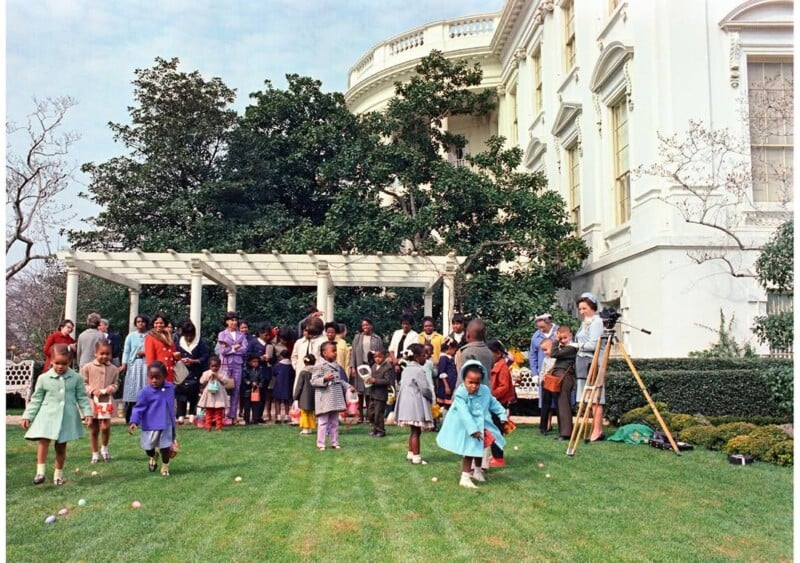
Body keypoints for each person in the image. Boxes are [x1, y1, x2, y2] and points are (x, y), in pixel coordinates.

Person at [21, 344, 92, 485]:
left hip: (66, 417)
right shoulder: (43, 378)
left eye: (64, 363)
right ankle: (40, 472)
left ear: (70, 362)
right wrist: (27, 416)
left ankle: (58, 475)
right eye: (57, 363)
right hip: (47, 416)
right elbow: (36, 399)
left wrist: (87, 413)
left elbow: (82, 397)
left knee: (61, 447)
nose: (60, 366)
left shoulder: (76, 378)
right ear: (51, 361)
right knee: (43, 442)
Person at [435, 360, 509, 488]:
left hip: (482, 424)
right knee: (470, 450)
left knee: (481, 448)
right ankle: (465, 476)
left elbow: (494, 403)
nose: (474, 386)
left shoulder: (485, 391)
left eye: (477, 383)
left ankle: (478, 471)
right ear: (464, 380)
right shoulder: (460, 393)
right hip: (466, 426)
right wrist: (472, 429)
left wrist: (502, 414)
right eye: (470, 382)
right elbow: (464, 413)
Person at [128, 361, 177, 476]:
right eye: (151, 377)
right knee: (148, 448)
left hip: (166, 424)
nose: (154, 380)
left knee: (165, 448)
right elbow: (138, 408)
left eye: (157, 377)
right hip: (151, 425)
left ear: (165, 376)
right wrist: (134, 421)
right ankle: (153, 455)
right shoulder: (145, 392)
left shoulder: (170, 388)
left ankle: (165, 466)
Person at [394, 343, 434, 465]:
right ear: (416, 357)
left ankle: (410, 453)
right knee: (416, 431)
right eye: (423, 355)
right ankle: (416, 457)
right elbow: (424, 388)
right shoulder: (418, 371)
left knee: (413, 430)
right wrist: (431, 397)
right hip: (414, 404)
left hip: (405, 403)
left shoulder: (406, 369)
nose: (425, 358)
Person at [81, 339, 120, 464]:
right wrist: (92, 390)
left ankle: (104, 448)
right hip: (93, 402)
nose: (104, 356)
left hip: (106, 402)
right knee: (93, 428)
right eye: (102, 353)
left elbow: (116, 383)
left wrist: (111, 388)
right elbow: (83, 383)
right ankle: (94, 453)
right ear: (95, 353)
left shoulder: (114, 369)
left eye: (107, 354)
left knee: (105, 426)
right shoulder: (87, 367)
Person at [575, 292, 606, 442]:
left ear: (592, 307)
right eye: (580, 309)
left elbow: (594, 344)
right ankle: (594, 428)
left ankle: (597, 430)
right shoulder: (585, 322)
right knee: (587, 398)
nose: (582, 312)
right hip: (583, 362)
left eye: (584, 308)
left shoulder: (596, 322)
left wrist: (576, 345)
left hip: (593, 362)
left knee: (596, 398)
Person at [310, 342, 351, 451]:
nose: (335, 353)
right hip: (324, 397)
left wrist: (348, 386)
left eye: (335, 350)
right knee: (323, 422)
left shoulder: (336, 365)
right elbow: (313, 381)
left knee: (334, 422)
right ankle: (321, 443)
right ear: (324, 353)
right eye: (333, 351)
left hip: (335, 397)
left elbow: (339, 380)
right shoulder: (319, 365)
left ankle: (335, 442)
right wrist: (324, 379)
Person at [349, 317, 383, 424]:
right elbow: (353, 353)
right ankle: (360, 416)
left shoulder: (377, 338)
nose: (365, 327)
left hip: (371, 366)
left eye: (367, 325)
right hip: (360, 366)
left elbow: (381, 353)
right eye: (363, 325)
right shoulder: (358, 338)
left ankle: (369, 415)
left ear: (371, 325)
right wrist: (352, 367)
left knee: (369, 391)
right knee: (360, 391)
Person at [487, 339, 515, 468]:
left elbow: (504, 386)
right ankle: (496, 455)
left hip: (499, 403)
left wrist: (492, 395)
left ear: (497, 353)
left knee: (497, 430)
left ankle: (499, 457)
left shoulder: (502, 367)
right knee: (494, 428)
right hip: (495, 402)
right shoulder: (496, 365)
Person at [529, 313, 559, 434]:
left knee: (556, 400)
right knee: (545, 400)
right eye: (538, 327)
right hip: (543, 373)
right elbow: (533, 355)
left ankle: (561, 425)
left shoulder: (558, 332)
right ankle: (546, 424)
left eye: (543, 327)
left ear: (548, 322)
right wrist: (534, 373)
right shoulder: (535, 337)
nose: (541, 330)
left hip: (556, 372)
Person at [175, 320, 209, 425]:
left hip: (196, 371)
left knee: (195, 394)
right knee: (181, 393)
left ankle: (193, 414)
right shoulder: (178, 342)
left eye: (191, 335)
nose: (189, 338)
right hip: (182, 371)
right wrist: (181, 360)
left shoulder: (200, 343)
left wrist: (194, 361)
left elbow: (205, 356)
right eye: (187, 335)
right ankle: (180, 415)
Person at [217, 311, 248, 424]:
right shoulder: (222, 334)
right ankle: (222, 415)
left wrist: (232, 349)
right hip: (225, 364)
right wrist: (234, 348)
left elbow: (244, 349)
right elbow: (223, 351)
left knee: (236, 389)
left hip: (237, 364)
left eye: (235, 320)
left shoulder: (241, 335)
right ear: (227, 322)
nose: (234, 322)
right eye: (232, 320)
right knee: (224, 389)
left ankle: (232, 415)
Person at [549, 326, 578, 441]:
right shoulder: (566, 348)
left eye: (565, 337)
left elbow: (553, 354)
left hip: (565, 377)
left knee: (563, 404)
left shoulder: (571, 348)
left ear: (570, 336)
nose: (563, 340)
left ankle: (566, 433)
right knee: (559, 404)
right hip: (559, 376)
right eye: (561, 338)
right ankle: (563, 431)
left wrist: (556, 340)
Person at [120, 315, 149, 424]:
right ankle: (130, 417)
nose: (140, 323)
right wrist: (124, 364)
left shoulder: (150, 336)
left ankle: (145, 417)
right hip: (134, 364)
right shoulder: (131, 336)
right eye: (138, 321)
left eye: (142, 321)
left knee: (145, 388)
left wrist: (145, 353)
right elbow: (126, 351)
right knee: (133, 389)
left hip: (146, 364)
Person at [291, 317, 326, 393]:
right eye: (305, 330)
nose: (305, 332)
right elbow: (294, 356)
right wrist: (296, 367)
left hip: (316, 374)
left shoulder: (323, 342)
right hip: (301, 372)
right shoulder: (299, 342)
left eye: (308, 331)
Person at [198, 357, 232, 431]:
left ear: (219, 366)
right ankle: (208, 427)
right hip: (209, 395)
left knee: (219, 413)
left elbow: (226, 381)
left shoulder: (222, 373)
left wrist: (218, 377)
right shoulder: (206, 373)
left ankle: (219, 427)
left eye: (216, 366)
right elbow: (201, 381)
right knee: (208, 412)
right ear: (209, 366)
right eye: (212, 366)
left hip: (219, 396)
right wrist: (208, 377)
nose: (214, 368)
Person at [250, 324, 275, 422]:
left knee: (263, 395)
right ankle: (254, 416)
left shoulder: (270, 345)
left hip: (266, 372)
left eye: (268, 335)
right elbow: (248, 355)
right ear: (260, 333)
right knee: (255, 395)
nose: (267, 337)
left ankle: (259, 416)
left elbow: (274, 359)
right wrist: (258, 358)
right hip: (256, 373)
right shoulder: (253, 343)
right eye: (265, 335)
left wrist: (270, 359)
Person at [456, 318, 493, 386]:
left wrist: (456, 394)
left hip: (471, 394)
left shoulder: (467, 352)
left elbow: (462, 378)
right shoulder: (489, 352)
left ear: (467, 334)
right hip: (486, 391)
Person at [145, 314, 181, 382]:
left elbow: (173, 352)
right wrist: (152, 376)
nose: (159, 325)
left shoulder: (168, 336)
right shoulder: (150, 337)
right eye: (156, 323)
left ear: (165, 324)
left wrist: (177, 356)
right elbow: (150, 359)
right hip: (158, 372)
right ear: (153, 324)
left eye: (161, 323)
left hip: (170, 370)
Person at [365, 348, 393, 438]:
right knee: (371, 413)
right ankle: (375, 429)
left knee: (378, 414)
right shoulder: (373, 366)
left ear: (384, 357)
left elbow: (387, 381)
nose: (377, 359)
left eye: (380, 357)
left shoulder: (388, 367)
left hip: (381, 394)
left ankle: (381, 430)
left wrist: (375, 380)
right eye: (375, 357)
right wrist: (369, 380)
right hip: (373, 393)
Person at [388, 313, 419, 378]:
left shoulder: (415, 335)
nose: (405, 326)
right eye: (403, 324)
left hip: (407, 364)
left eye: (407, 324)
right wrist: (395, 362)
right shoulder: (397, 333)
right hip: (394, 363)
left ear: (411, 325)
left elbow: (412, 352)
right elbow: (391, 349)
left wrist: (399, 361)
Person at [293, 354, 317, 435]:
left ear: (304, 362)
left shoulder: (303, 372)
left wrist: (295, 396)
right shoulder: (316, 371)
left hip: (304, 396)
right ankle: (310, 427)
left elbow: (299, 385)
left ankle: (305, 428)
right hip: (314, 395)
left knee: (304, 413)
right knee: (311, 412)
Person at [272, 348, 295, 423]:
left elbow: (274, 373)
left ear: (281, 356)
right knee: (286, 402)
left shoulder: (278, 365)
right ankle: (286, 416)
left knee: (277, 401)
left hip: (278, 385)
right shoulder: (291, 366)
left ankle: (278, 417)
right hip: (288, 386)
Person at [242, 354, 266, 425]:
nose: (256, 363)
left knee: (256, 405)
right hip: (247, 390)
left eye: (257, 362)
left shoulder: (260, 369)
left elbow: (262, 379)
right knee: (247, 406)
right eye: (254, 361)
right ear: (249, 362)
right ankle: (247, 420)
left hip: (256, 390)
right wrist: (250, 383)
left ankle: (255, 419)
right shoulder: (246, 369)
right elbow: (244, 379)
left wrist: (259, 385)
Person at [436, 337, 459, 408]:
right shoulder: (443, 358)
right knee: (446, 405)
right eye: (455, 350)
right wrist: (446, 386)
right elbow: (442, 372)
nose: (455, 352)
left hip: (451, 384)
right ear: (450, 348)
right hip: (446, 385)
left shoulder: (450, 358)